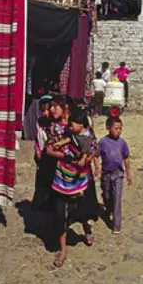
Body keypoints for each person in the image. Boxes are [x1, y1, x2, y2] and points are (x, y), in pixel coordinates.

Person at [47, 108, 98, 267]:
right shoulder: (56, 130)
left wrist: (85, 159)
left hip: (79, 180)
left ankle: (87, 229)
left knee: (82, 212)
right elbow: (49, 149)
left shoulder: (87, 136)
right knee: (61, 214)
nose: (51, 110)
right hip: (62, 178)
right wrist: (62, 153)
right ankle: (63, 251)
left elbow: (92, 150)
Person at [95, 115, 131, 234]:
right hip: (106, 174)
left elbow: (126, 158)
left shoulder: (122, 143)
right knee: (107, 196)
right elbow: (96, 155)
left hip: (118, 174)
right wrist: (97, 168)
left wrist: (128, 173)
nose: (118, 131)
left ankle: (116, 225)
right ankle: (107, 209)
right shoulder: (103, 142)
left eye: (120, 128)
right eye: (116, 128)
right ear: (108, 128)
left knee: (117, 198)